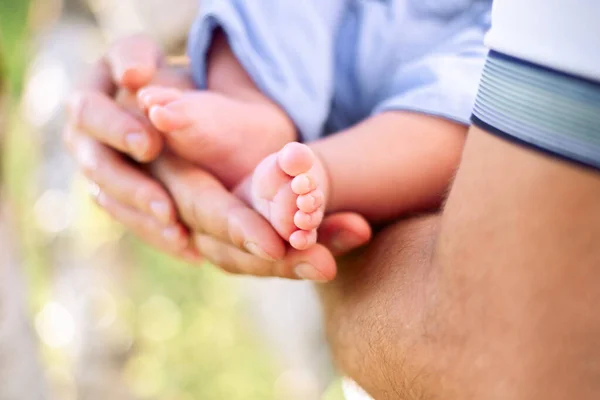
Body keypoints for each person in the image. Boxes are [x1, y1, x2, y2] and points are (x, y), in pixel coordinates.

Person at [65, 0, 600, 399]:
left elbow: (481, 356)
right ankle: (248, 104)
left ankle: (322, 171)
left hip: (469, 62)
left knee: (473, 100)